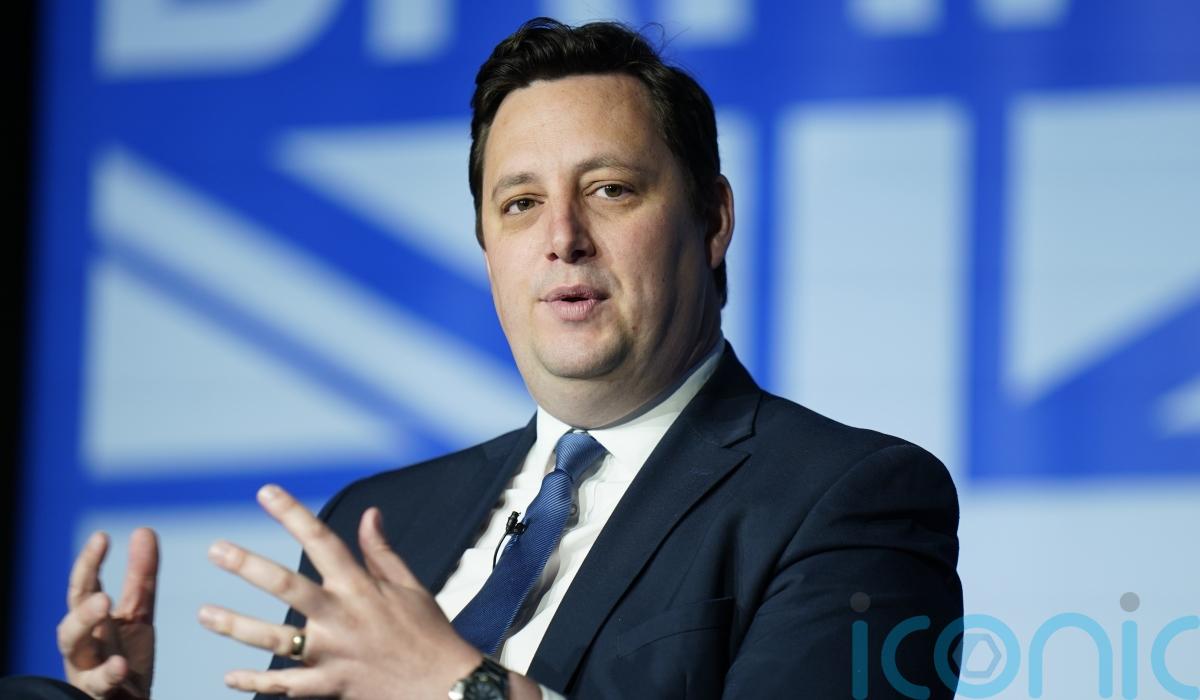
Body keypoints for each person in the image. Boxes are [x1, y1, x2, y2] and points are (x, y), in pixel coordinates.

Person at [3, 17, 962, 700]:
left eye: (611, 189)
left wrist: (462, 688)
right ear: (487, 249)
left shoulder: (855, 498)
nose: (562, 238)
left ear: (713, 220)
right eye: (520, 205)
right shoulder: (378, 520)